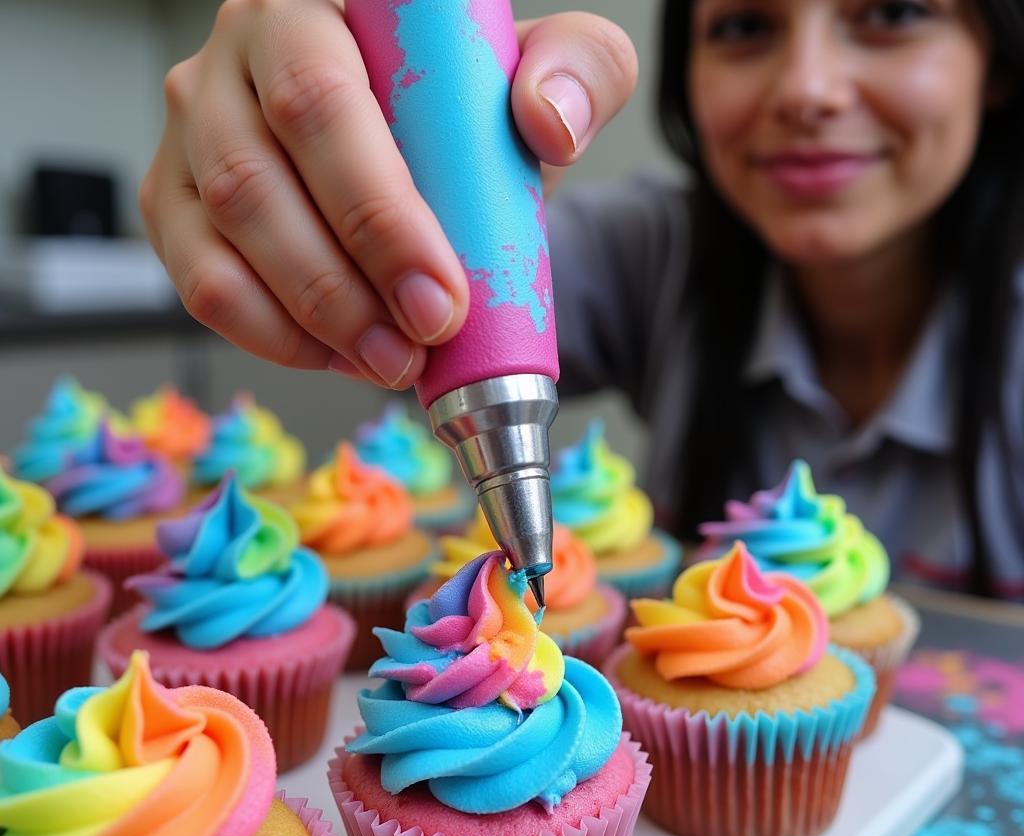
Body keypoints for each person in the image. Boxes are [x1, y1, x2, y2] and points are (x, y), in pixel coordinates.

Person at [141, 0, 1024, 598]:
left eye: (895, 14)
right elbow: (428, 311)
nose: (807, 90)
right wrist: (351, 156)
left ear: (998, 58)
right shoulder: (656, 253)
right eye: (747, 26)